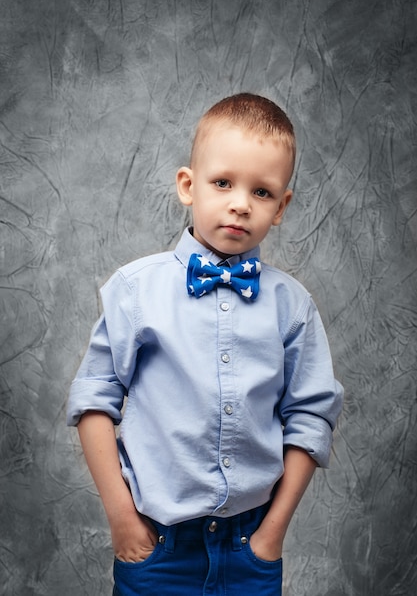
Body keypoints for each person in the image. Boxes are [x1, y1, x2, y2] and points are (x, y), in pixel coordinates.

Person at [67, 92, 343, 596]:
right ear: (188, 186)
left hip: (249, 548)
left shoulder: (293, 306)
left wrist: (271, 536)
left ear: (281, 207)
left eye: (262, 192)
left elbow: (311, 417)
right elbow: (92, 403)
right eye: (222, 183)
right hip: (157, 547)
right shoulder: (135, 290)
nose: (240, 203)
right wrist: (122, 519)